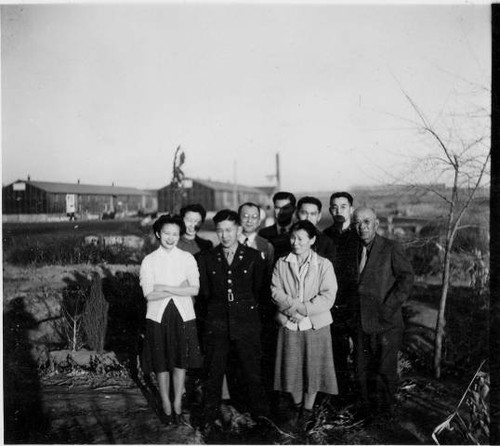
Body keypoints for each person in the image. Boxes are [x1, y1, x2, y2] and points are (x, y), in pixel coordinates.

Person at [197, 210, 269, 432]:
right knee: (213, 373)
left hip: (246, 324)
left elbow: (260, 293)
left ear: (238, 229)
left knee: (251, 371)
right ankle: (209, 419)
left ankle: (260, 417)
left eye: (229, 230)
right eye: (219, 230)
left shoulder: (252, 257)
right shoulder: (207, 258)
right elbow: (205, 296)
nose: (224, 235)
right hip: (217, 324)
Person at [271, 220, 338, 429]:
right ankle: (297, 405)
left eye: (300, 238)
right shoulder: (282, 263)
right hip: (290, 325)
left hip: (315, 326)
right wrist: (294, 310)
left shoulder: (324, 264)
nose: (295, 242)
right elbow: (275, 292)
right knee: (292, 370)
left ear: (312, 240)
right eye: (293, 237)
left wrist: (304, 310)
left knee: (314, 370)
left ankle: (307, 411)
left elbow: (328, 296)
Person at [139, 214, 203, 425]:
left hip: (183, 316)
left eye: (175, 234)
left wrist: (163, 287)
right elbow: (149, 294)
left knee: (180, 360)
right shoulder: (149, 260)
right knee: (161, 362)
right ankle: (165, 402)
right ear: (158, 233)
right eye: (166, 233)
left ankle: (177, 402)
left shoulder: (187, 258)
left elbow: (194, 288)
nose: (170, 237)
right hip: (158, 316)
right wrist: (179, 288)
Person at [352, 207, 414, 418]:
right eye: (358, 223)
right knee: (362, 370)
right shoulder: (352, 250)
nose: (362, 227)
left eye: (367, 222)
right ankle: (366, 413)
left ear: (376, 224)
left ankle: (385, 417)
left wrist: (388, 308)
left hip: (387, 322)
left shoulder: (390, 247)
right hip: (361, 321)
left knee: (384, 370)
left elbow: (406, 279)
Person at [323, 192, 360, 401]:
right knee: (337, 353)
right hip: (333, 304)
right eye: (334, 207)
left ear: (351, 210)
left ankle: (359, 398)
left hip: (355, 303)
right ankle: (339, 398)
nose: (339, 211)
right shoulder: (324, 236)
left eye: (343, 207)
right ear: (329, 211)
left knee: (359, 355)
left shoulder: (358, 236)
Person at [296, 196, 336, 266]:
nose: (308, 218)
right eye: (304, 213)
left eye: (313, 214)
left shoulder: (327, 243)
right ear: (297, 214)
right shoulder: (286, 239)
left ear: (319, 216)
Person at [259, 191, 297, 260]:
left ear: (294, 209)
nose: (281, 212)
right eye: (277, 208)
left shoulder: (299, 233)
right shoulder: (263, 234)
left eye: (285, 208)